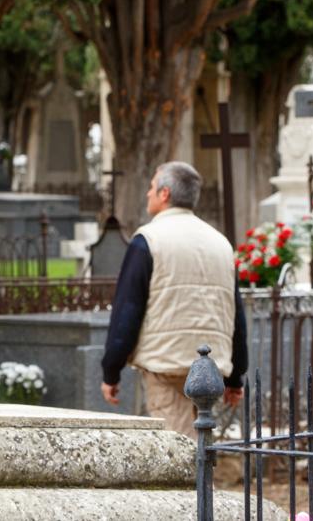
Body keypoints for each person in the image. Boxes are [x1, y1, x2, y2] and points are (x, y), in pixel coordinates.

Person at [99, 161, 248, 437]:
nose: (148, 193)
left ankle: (196, 482)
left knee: (177, 449)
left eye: (152, 187)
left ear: (165, 194)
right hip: (212, 365)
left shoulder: (149, 240)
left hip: (166, 363)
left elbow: (127, 311)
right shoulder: (221, 243)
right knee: (201, 440)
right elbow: (235, 313)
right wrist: (236, 375)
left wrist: (111, 370)